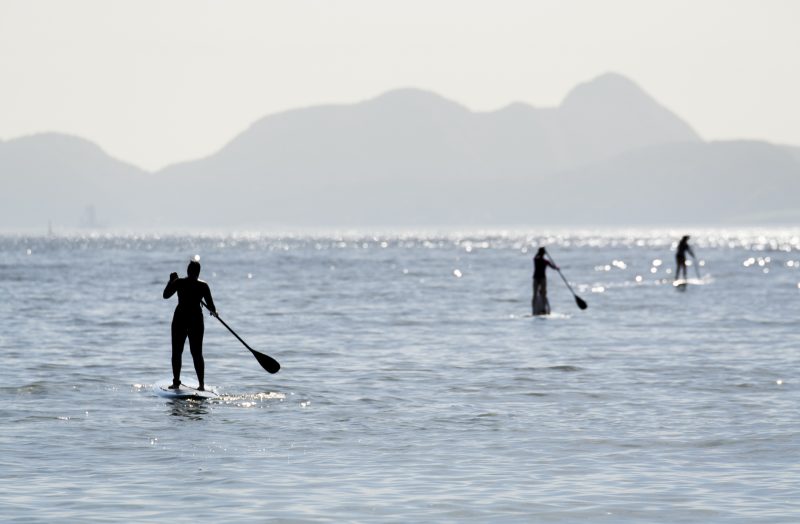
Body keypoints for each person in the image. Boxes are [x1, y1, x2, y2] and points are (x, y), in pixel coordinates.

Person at [163, 260, 216, 390]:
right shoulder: (203, 286)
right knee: (194, 353)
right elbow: (212, 308)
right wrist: (213, 311)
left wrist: (171, 281)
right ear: (198, 273)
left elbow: (165, 295)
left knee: (180, 352)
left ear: (188, 271)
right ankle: (200, 385)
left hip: (182, 319)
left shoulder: (180, 282)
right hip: (194, 320)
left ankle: (177, 383)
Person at [532, 247, 558, 315]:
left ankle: (543, 309)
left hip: (542, 278)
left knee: (543, 293)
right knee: (536, 294)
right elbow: (553, 267)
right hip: (537, 278)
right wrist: (556, 268)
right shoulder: (538, 260)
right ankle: (534, 309)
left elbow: (553, 267)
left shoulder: (543, 261)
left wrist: (556, 268)